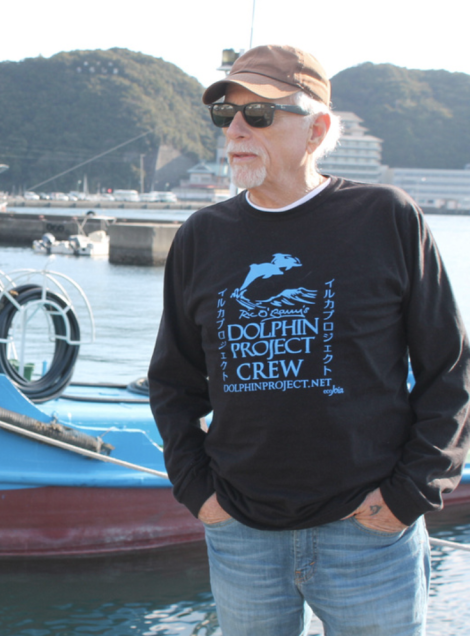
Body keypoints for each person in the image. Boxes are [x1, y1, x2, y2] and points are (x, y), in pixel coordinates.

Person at [147, 44, 470, 635]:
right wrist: (199, 492)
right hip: (240, 533)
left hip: (368, 533)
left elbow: (449, 370)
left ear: (317, 128)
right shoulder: (201, 237)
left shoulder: (387, 218)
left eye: (260, 114)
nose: (237, 129)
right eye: (227, 116)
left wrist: (409, 494)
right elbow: (173, 381)